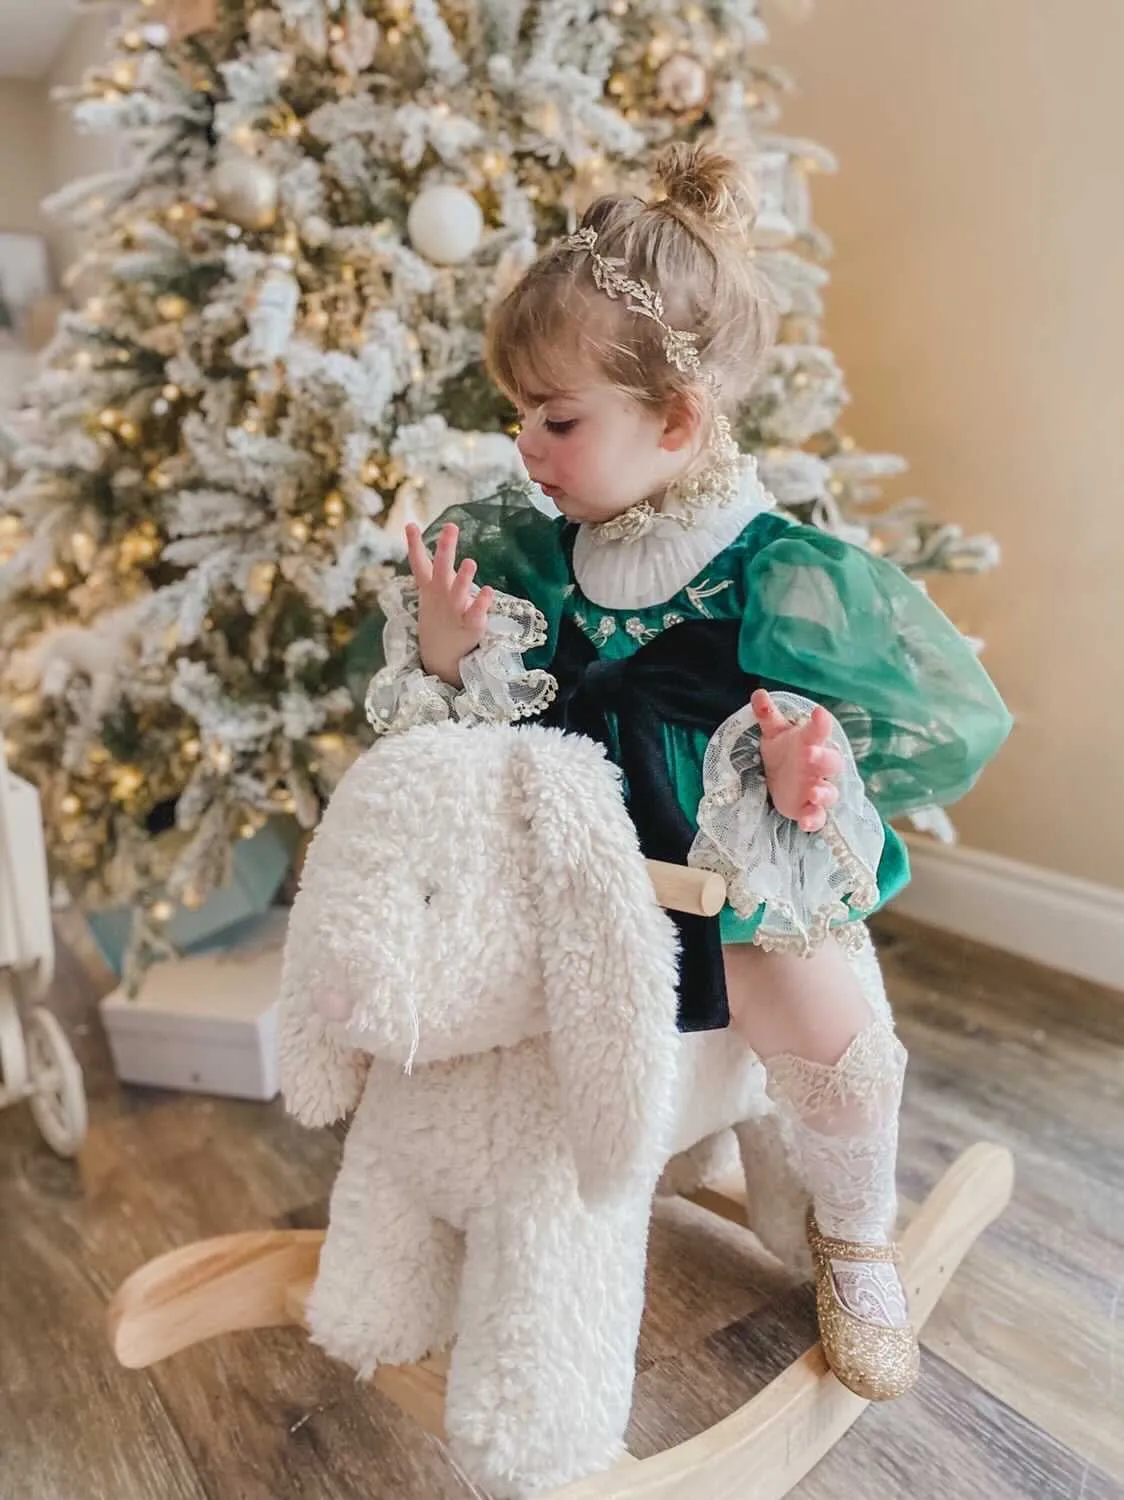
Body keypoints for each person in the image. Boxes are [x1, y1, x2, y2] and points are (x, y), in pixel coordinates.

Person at [349, 143, 1012, 1402]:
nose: (525, 447)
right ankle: (456, 1204)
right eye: (517, 417)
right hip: (576, 870)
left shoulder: (773, 569)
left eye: (555, 419)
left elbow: (855, 726)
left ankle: (855, 1228)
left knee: (819, 1009)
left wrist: (805, 758)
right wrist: (449, 654)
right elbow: (490, 730)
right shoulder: (536, 557)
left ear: (676, 419)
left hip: (721, 861)